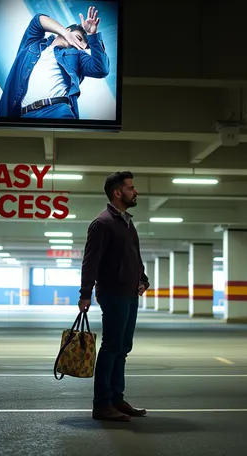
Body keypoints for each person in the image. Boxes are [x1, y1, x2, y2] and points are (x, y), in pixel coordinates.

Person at [79, 171, 149, 422]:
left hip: (130, 293)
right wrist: (85, 294)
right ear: (118, 193)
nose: (135, 191)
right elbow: (90, 262)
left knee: (123, 349)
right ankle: (102, 404)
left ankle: (117, 400)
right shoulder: (102, 223)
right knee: (110, 348)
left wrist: (143, 279)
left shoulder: (127, 223)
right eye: (131, 188)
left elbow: (135, 257)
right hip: (113, 294)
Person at [0, 6, 110, 119]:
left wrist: (92, 36)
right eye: (79, 39)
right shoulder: (32, 45)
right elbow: (38, 20)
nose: (80, 46)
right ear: (68, 30)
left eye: (83, 46)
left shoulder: (77, 55)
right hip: (25, 115)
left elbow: (101, 69)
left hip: (57, 111)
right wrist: (65, 34)